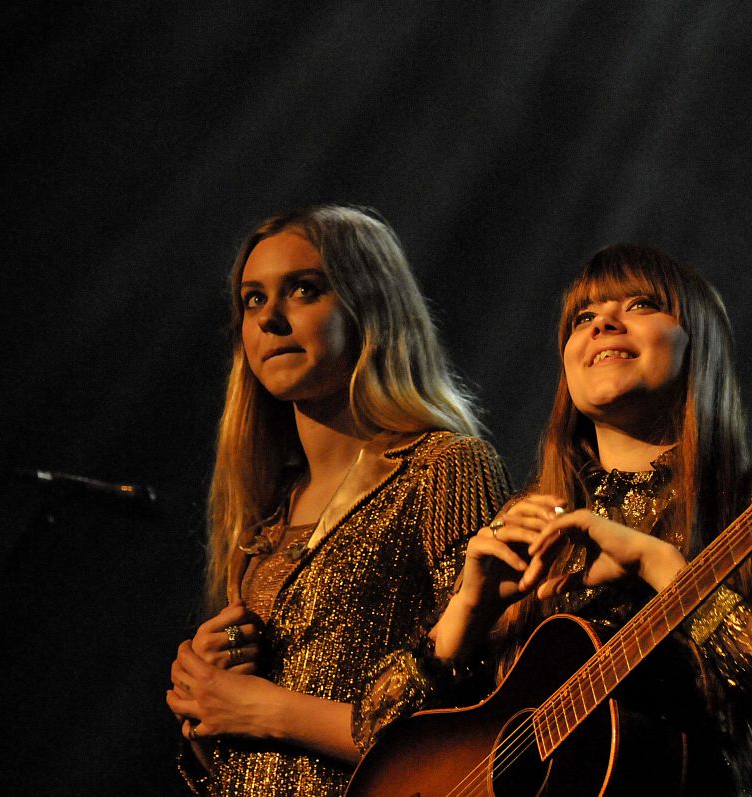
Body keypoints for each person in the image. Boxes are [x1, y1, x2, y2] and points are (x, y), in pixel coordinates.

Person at [362, 243, 752, 795]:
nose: (603, 323)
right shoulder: (524, 528)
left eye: (641, 304)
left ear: (698, 343)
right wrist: (466, 615)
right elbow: (374, 741)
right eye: (583, 318)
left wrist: (666, 570)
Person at [165, 204, 510, 796]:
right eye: (252, 299)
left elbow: (479, 713)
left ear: (369, 307)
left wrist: (267, 709)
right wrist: (205, 708)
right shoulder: (264, 516)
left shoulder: (443, 467)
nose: (270, 318)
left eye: (304, 289)